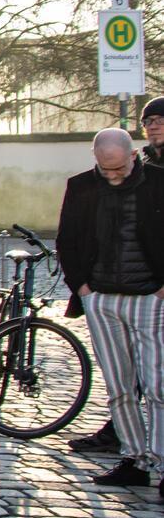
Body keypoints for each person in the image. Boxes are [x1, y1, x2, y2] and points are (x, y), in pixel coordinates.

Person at [56, 129, 164, 493]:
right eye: (106, 170)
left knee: (158, 385)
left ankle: (162, 462)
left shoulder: (159, 183)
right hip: (102, 297)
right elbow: (67, 239)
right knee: (119, 386)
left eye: (118, 168)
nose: (113, 176)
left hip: (151, 296)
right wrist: (83, 288)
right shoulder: (82, 186)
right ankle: (134, 458)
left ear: (133, 155)